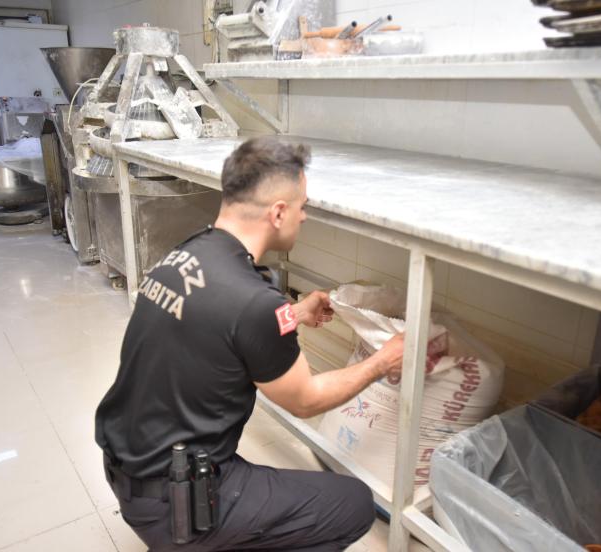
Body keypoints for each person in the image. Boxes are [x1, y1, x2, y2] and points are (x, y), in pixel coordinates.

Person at [95, 137, 405, 551]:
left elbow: (220, 322)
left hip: (128, 472)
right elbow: (306, 400)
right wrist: (384, 360)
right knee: (352, 504)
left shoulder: (187, 253)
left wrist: (295, 314)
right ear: (278, 213)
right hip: (176, 505)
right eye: (301, 206)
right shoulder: (257, 303)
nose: (305, 216)